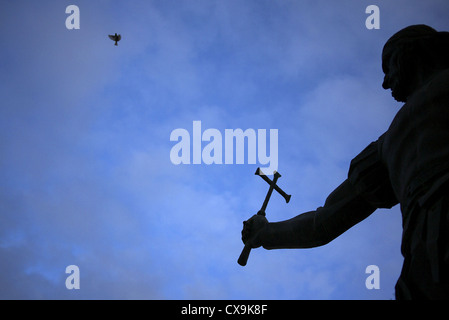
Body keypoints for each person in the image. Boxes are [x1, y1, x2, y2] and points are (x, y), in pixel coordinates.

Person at [241, 25, 449, 299]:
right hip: (424, 276)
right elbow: (324, 222)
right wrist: (267, 234)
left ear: (411, 52)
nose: (385, 82)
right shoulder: (386, 147)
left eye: (388, 66)